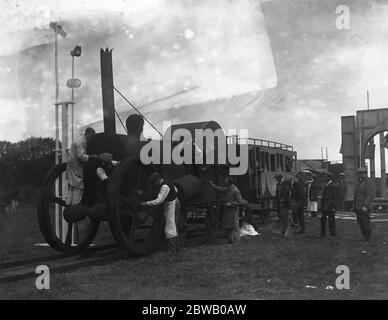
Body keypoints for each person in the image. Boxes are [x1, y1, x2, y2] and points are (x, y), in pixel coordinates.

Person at [66, 127, 112, 205]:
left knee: (72, 186)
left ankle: (68, 204)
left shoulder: (81, 140)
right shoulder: (80, 142)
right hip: (76, 166)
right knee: (78, 187)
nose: (93, 138)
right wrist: (94, 156)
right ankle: (75, 206)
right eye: (92, 136)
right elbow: (80, 156)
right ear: (88, 134)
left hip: (73, 165)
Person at [141, 173, 180, 253]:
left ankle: (172, 249)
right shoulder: (168, 181)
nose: (154, 184)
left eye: (154, 182)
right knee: (173, 225)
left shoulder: (164, 186)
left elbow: (159, 201)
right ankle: (176, 247)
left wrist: (146, 203)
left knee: (170, 226)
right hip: (175, 202)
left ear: (157, 180)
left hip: (171, 204)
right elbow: (176, 189)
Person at [209, 177, 248, 244]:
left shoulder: (235, 190)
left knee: (235, 226)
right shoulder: (228, 189)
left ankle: (236, 241)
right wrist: (212, 185)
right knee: (229, 226)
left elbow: (240, 202)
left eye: (226, 181)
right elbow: (220, 189)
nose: (225, 182)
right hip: (228, 211)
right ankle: (230, 240)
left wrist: (231, 203)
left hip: (233, 211)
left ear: (229, 182)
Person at [354, 167, 374, 245]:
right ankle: (365, 238)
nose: (359, 175)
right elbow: (356, 195)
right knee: (361, 223)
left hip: (364, 208)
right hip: (358, 207)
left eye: (360, 174)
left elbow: (369, 195)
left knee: (366, 224)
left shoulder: (368, 182)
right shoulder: (360, 182)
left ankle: (367, 240)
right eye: (358, 174)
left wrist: (365, 205)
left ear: (364, 173)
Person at [320, 173, 339, 238]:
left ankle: (332, 234)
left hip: (330, 207)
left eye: (325, 177)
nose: (324, 178)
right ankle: (323, 234)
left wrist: (334, 207)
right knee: (323, 221)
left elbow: (335, 197)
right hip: (325, 206)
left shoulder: (333, 185)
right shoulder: (327, 185)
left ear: (329, 178)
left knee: (331, 221)